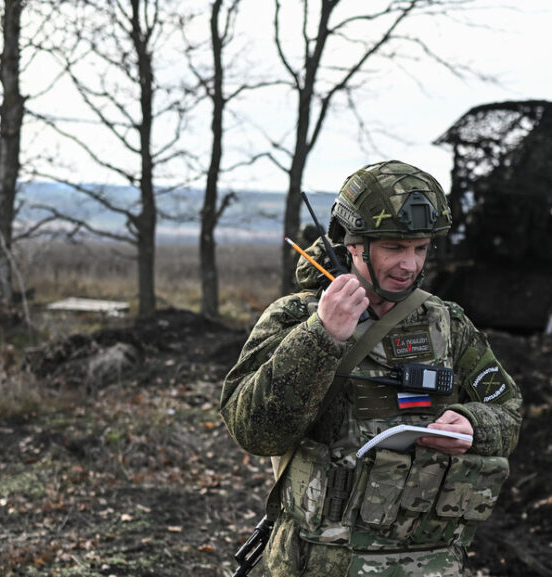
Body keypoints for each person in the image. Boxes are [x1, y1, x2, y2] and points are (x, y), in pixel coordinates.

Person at [219, 160, 523, 577]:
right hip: (320, 561)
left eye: (421, 248)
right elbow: (253, 430)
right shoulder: (295, 316)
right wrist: (321, 336)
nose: (410, 265)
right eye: (394, 248)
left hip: (430, 562)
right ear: (353, 245)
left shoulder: (447, 323)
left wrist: (474, 424)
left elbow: (509, 412)